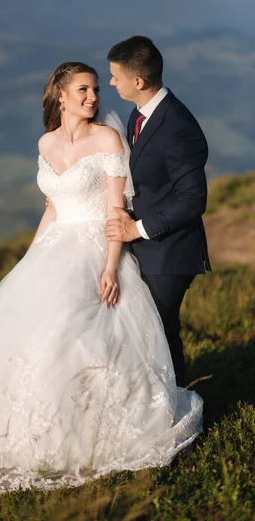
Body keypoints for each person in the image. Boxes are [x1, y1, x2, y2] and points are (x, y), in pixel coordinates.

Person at [0, 62, 203, 498]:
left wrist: (111, 267)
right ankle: (21, 434)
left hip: (96, 247)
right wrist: (31, 256)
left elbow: (117, 213)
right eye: (83, 89)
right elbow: (53, 207)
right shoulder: (45, 142)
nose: (93, 97)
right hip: (54, 247)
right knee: (27, 340)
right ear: (60, 95)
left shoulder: (107, 139)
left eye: (96, 89)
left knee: (77, 338)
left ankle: (93, 430)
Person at [105, 36, 211, 387]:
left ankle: (178, 418)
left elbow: (193, 199)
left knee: (162, 337)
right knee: (144, 336)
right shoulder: (140, 114)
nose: (110, 83)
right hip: (146, 248)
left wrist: (138, 230)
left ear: (138, 82)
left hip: (170, 253)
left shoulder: (178, 127)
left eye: (115, 77)